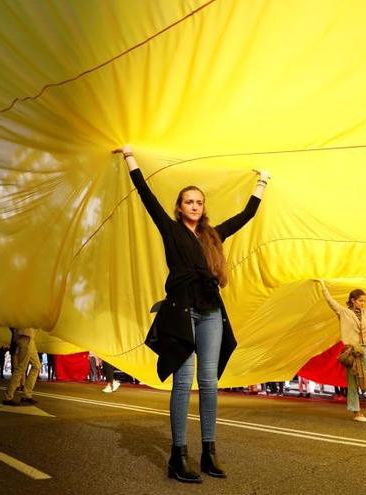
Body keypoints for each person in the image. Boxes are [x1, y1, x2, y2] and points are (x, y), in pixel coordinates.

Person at [115, 145, 269, 483]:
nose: (194, 207)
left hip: (211, 311)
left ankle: (209, 452)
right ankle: (177, 456)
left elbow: (246, 216)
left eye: (199, 202)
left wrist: (262, 184)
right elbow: (145, 194)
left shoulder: (213, 235)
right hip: (182, 312)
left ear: (203, 208)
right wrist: (130, 158)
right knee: (183, 382)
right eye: (189, 202)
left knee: (210, 383)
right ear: (180, 207)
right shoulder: (170, 229)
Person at [318, 281, 366, 423]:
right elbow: (330, 301)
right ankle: (357, 413)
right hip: (351, 350)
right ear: (353, 301)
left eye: (364, 301)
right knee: (353, 381)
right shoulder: (344, 312)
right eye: (360, 301)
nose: (363, 303)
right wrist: (323, 286)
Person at [2, 328, 41, 406]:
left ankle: (27, 395)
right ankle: (8, 397)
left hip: (30, 338)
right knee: (21, 368)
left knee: (37, 366)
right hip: (24, 337)